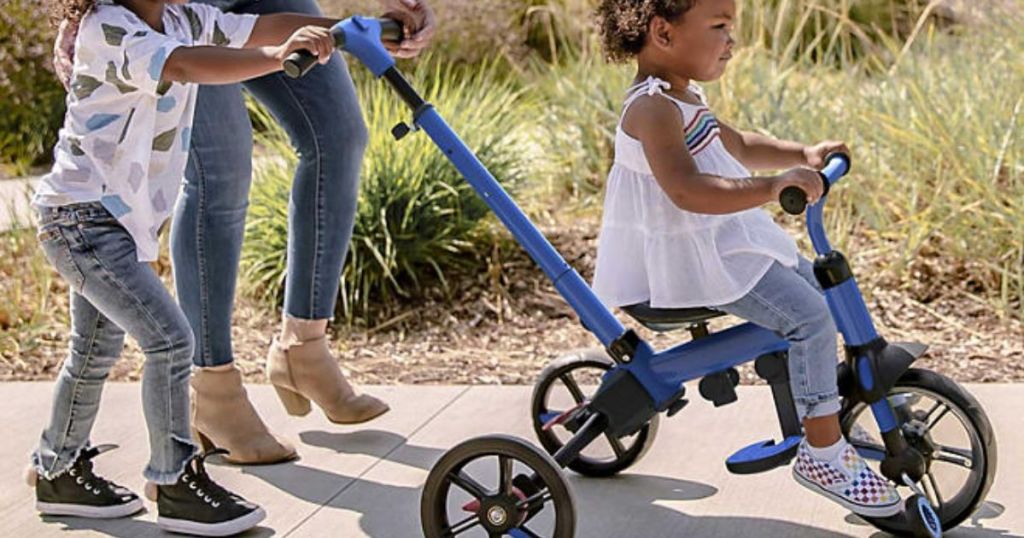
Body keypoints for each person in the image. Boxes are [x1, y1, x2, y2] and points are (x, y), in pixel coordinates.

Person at [30, 0, 368, 533]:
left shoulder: (184, 16)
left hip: (115, 224)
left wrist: (350, 30)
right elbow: (186, 64)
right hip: (81, 221)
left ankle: (58, 470)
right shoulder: (108, 27)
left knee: (94, 350)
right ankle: (174, 479)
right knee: (169, 341)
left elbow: (257, 24)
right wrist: (280, 58)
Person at [52, 0, 437, 465]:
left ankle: (304, 350)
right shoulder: (132, 26)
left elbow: (263, 26)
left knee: (338, 137)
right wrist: (85, 15)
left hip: (226, 11)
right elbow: (184, 61)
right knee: (222, 172)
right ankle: (211, 391)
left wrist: (367, 27)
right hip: (171, 21)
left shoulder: (194, 20)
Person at [591, 0, 902, 517]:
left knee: (821, 290)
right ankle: (822, 452)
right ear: (663, 33)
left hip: (722, 244)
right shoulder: (650, 108)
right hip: (694, 259)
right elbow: (688, 191)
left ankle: (829, 409)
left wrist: (800, 156)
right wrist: (772, 187)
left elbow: (735, 144)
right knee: (810, 319)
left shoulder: (683, 96)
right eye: (719, 28)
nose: (732, 42)